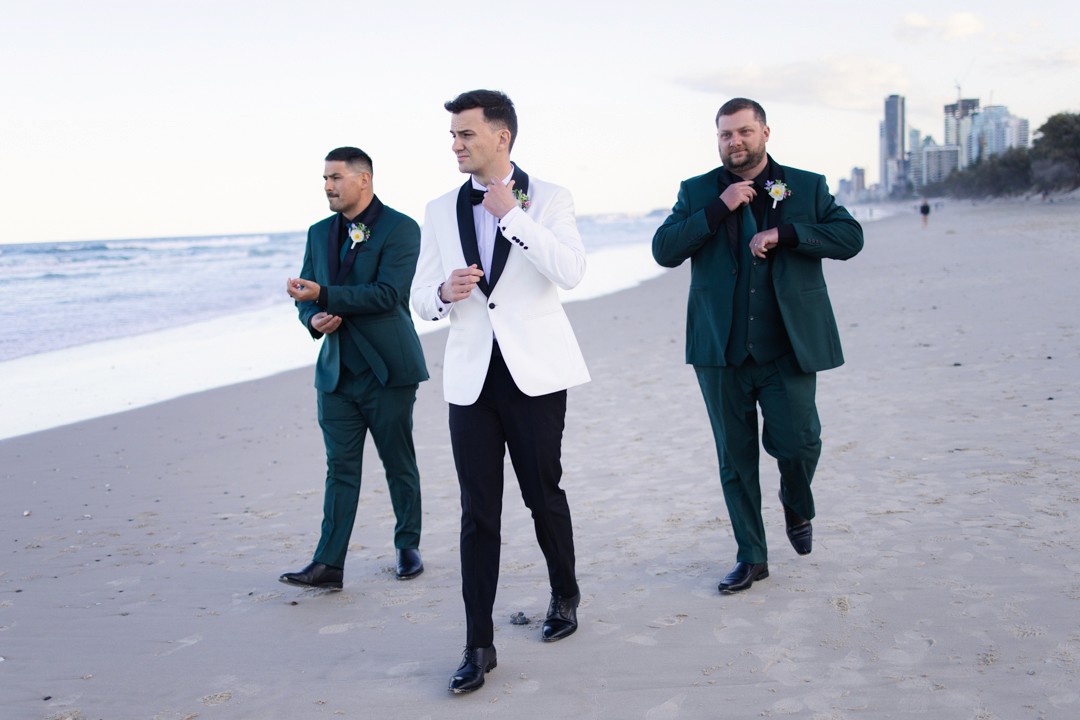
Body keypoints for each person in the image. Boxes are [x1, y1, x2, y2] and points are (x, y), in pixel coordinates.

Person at [411, 89, 590, 694]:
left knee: (543, 493)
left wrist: (511, 214)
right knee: (477, 514)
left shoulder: (552, 199)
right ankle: (478, 643)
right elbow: (418, 296)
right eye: (453, 137)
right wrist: (443, 292)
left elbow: (569, 270)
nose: (456, 145)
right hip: (471, 377)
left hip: (534, 374)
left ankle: (564, 593)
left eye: (466, 135)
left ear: (502, 138)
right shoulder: (439, 208)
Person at [652, 98, 863, 595]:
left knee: (799, 442)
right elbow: (664, 250)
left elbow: (848, 237)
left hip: (787, 346)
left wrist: (786, 233)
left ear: (766, 132)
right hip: (719, 351)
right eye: (726, 134)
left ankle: (796, 500)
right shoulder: (698, 191)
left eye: (745, 132)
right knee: (735, 456)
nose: (736, 142)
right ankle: (752, 555)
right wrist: (717, 209)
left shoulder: (805, 186)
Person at [280, 147, 429, 590]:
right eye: (325, 178)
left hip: (388, 369)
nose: (328, 186)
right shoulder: (317, 232)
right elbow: (305, 296)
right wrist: (313, 319)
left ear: (363, 179)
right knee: (339, 468)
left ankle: (408, 544)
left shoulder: (402, 229)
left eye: (336, 177)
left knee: (397, 460)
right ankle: (329, 564)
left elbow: (388, 294)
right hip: (336, 373)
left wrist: (323, 295)